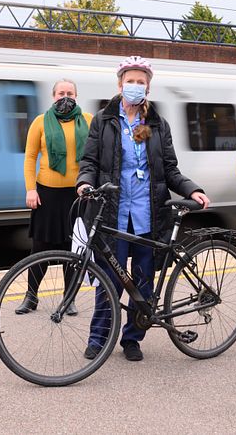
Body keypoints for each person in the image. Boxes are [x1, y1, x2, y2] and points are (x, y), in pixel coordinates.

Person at [77, 55, 210, 362]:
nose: (135, 86)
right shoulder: (104, 120)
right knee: (110, 280)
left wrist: (193, 189)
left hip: (149, 214)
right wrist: (84, 182)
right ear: (120, 84)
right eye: (130, 81)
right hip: (114, 213)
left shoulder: (155, 124)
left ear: (148, 88)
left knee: (143, 280)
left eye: (141, 82)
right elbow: (90, 162)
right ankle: (99, 338)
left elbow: (170, 169)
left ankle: (133, 338)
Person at [16, 79, 93, 315]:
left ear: (76, 96)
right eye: (61, 93)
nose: (65, 96)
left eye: (70, 92)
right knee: (40, 249)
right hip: (46, 194)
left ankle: (68, 298)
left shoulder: (88, 121)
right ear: (53, 96)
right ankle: (31, 296)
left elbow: (94, 157)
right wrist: (31, 189)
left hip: (79, 195)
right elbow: (30, 158)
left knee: (74, 250)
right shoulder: (40, 122)